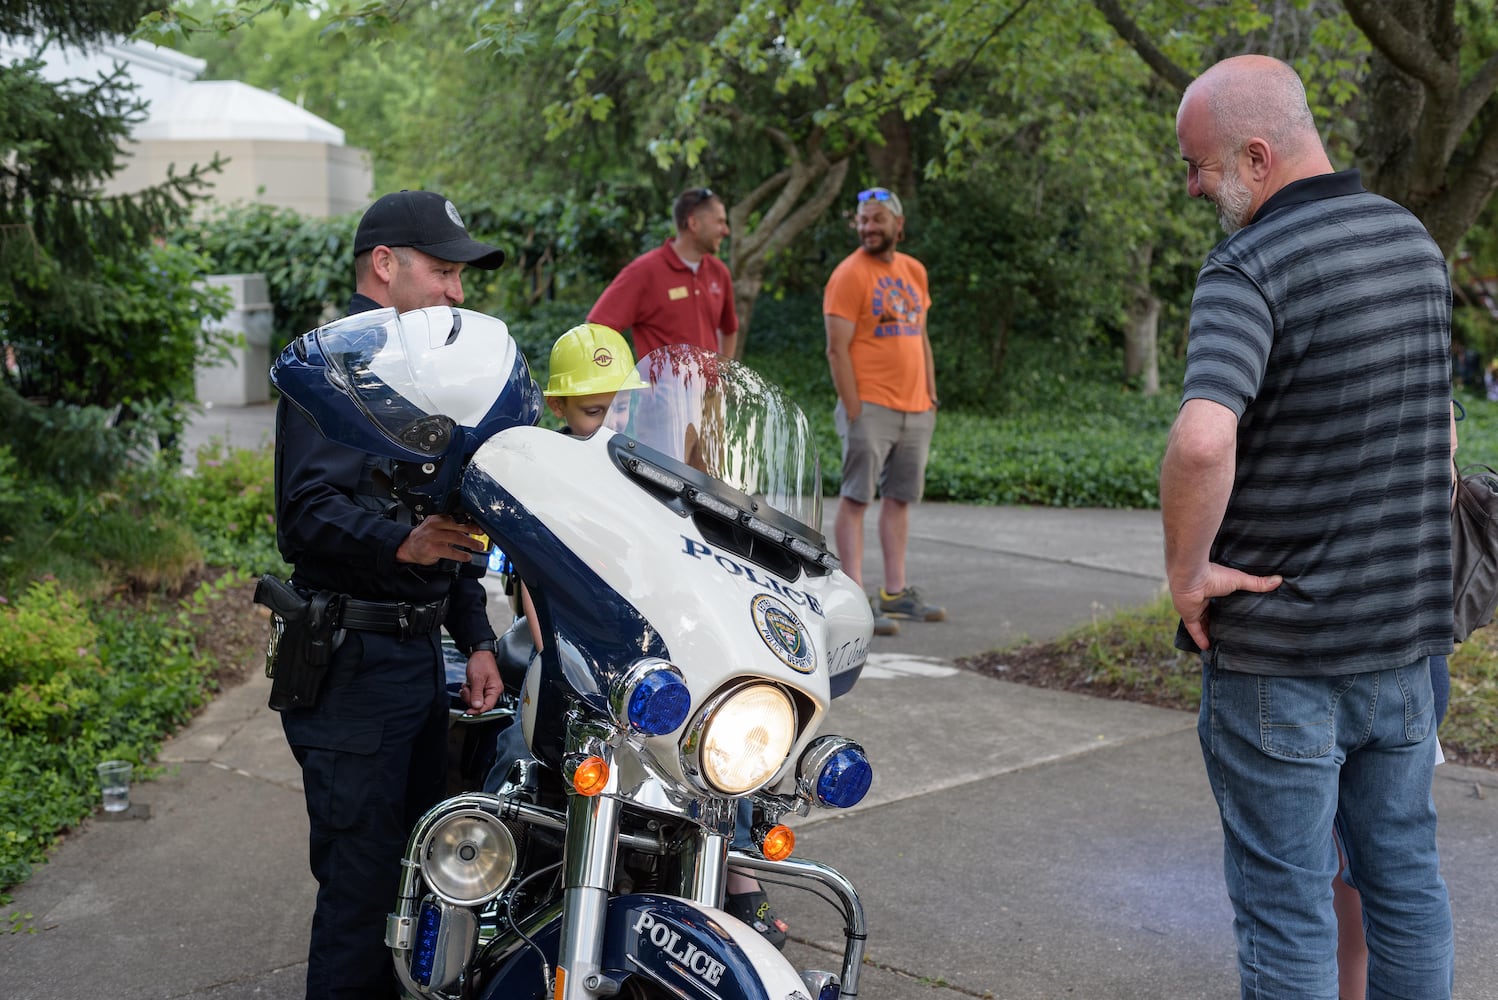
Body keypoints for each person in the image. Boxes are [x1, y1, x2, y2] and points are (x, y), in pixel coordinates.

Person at [1163, 55, 1454, 998]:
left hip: (1282, 666)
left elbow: (1203, 441)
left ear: (1257, 153)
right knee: (1405, 884)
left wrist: (1189, 576)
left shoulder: (1249, 266)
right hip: (1407, 647)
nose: (1196, 185)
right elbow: (1441, 427)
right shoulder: (1411, 241)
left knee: (1287, 910)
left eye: (1201, 165)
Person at [273, 189, 507, 1000]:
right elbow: (304, 513)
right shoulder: (336, 363)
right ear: (385, 265)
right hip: (350, 669)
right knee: (361, 893)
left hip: (416, 659)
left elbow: (451, 520)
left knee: (419, 878)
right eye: (443, 270)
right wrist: (395, 541)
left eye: (460, 275)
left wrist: (475, 635)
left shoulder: (424, 367)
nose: (457, 291)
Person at [823, 186, 944, 638]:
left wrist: (929, 393)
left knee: (899, 500)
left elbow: (921, 337)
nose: (868, 227)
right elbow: (837, 349)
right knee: (857, 498)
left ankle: (895, 592)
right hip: (870, 406)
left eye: (877, 219)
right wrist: (854, 408)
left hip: (915, 408)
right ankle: (856, 600)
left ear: (898, 224)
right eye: (862, 220)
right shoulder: (848, 275)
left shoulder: (914, 271)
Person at [588, 187, 738, 359]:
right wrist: (618, 377)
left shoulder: (719, 272)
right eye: (719, 222)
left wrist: (724, 374)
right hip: (659, 386)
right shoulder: (643, 271)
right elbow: (596, 329)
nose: (726, 231)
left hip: (709, 387)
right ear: (694, 224)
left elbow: (729, 329)